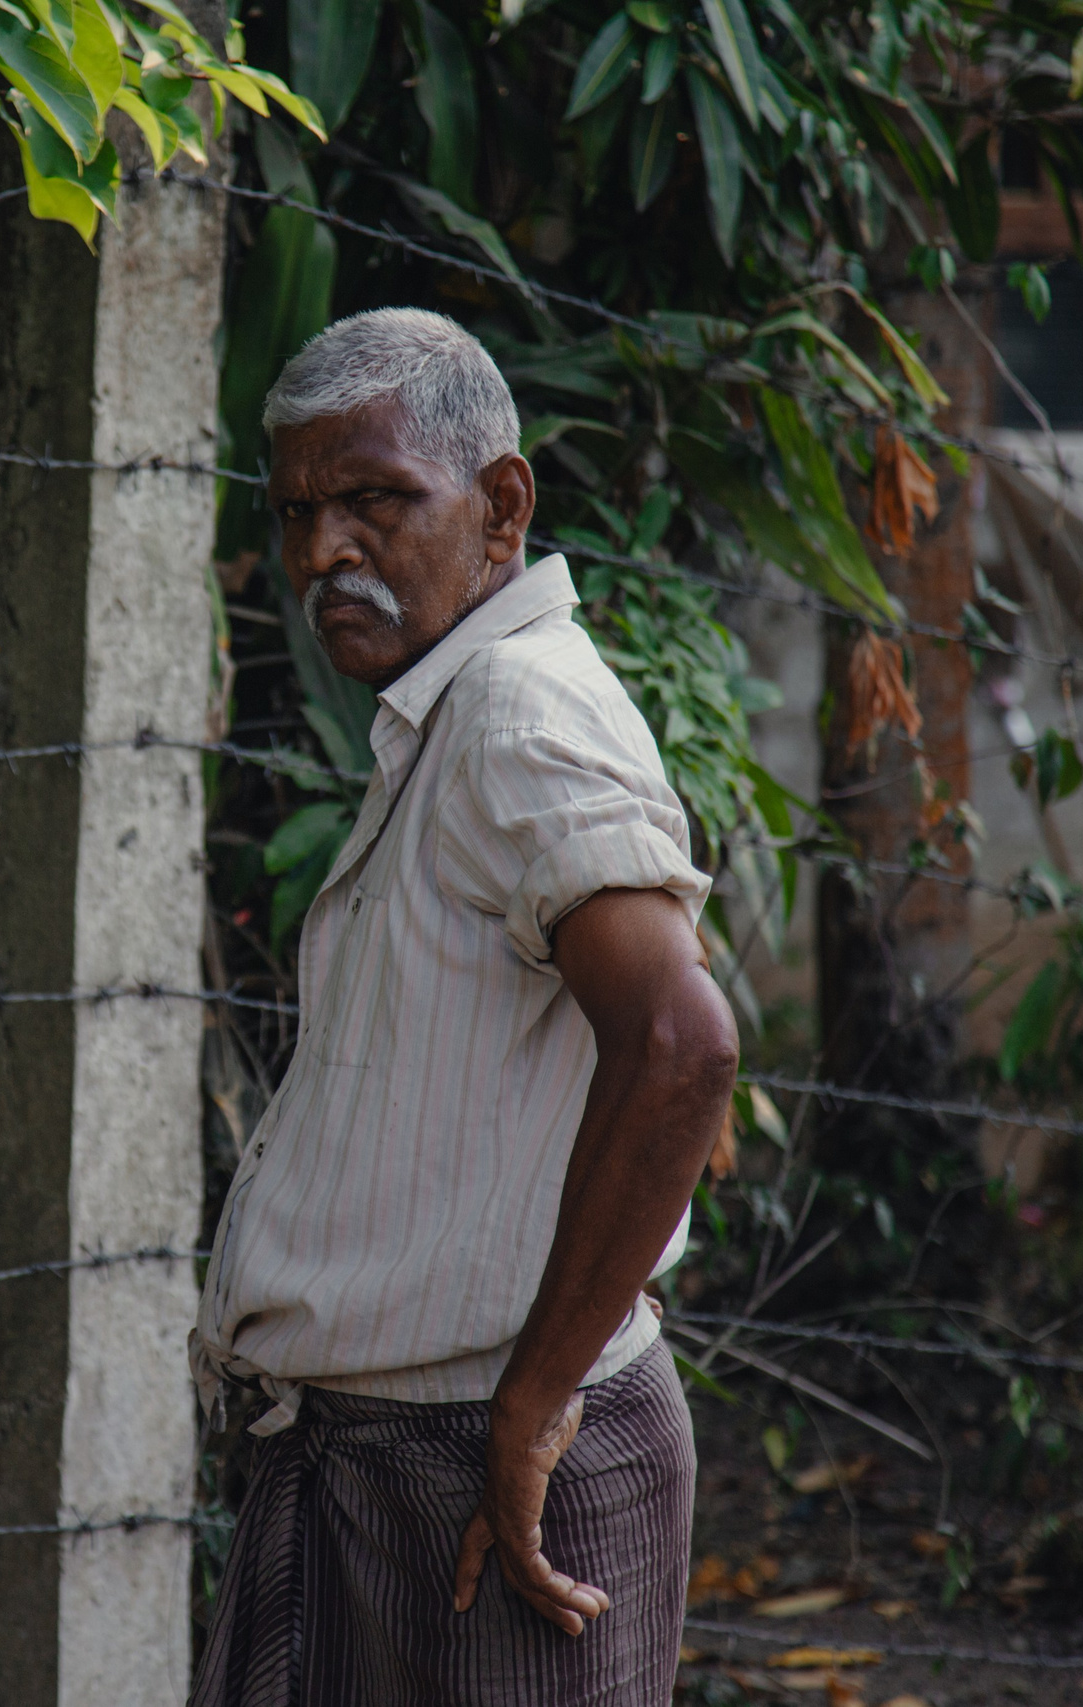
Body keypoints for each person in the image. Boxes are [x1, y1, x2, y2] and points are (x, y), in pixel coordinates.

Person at [188, 308, 739, 1707]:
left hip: (482, 1471)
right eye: (300, 512)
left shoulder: (514, 716)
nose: (322, 554)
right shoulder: (453, 715)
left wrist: (533, 1405)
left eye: (375, 500)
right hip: (391, 1465)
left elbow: (682, 1046)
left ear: (502, 509)